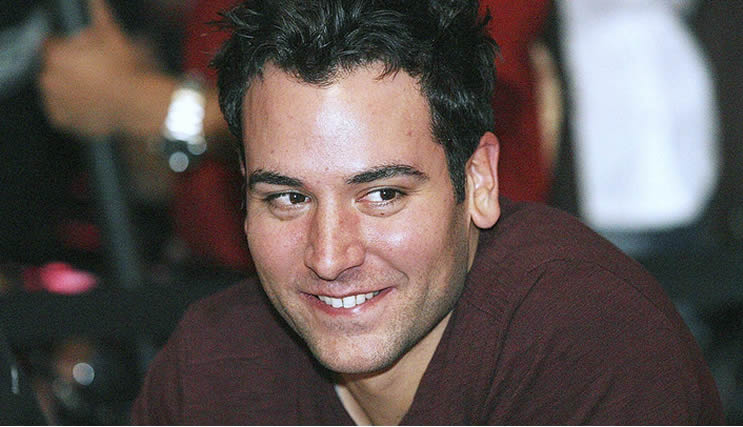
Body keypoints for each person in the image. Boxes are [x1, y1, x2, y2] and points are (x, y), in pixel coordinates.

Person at [131, 0, 724, 424]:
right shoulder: (212, 369)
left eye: (382, 195)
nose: (329, 256)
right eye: (288, 198)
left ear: (480, 180)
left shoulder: (586, 344)